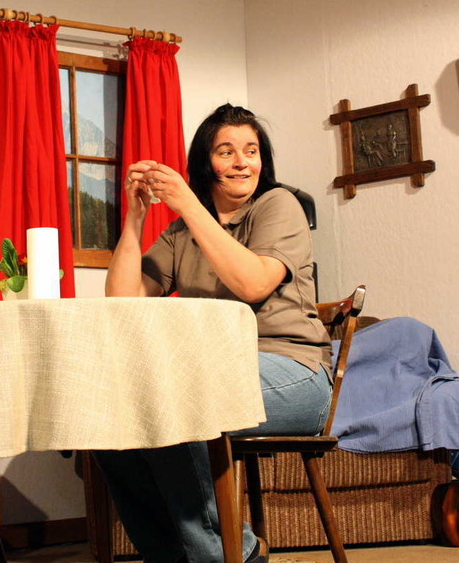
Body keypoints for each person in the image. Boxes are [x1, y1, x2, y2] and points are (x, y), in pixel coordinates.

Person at [94, 103, 332, 563]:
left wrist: (186, 202)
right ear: (206, 163)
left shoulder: (278, 206)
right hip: (216, 374)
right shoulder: (183, 232)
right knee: (111, 411)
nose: (242, 162)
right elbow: (123, 301)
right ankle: (177, 556)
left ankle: (234, 555)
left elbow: (253, 283)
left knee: (178, 397)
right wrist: (136, 218)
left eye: (251, 151)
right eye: (226, 151)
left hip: (296, 373)